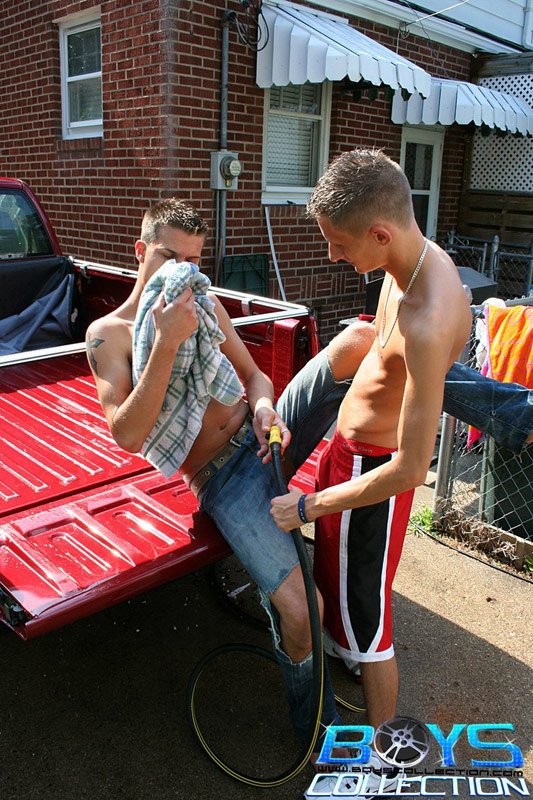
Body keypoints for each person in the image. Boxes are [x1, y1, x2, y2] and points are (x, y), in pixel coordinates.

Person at [86, 195, 531, 763]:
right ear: (140, 252)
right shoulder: (110, 335)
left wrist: (267, 408)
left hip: (265, 437)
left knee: (363, 340)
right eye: (169, 258)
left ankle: (520, 415)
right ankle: (315, 733)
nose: (183, 274)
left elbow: (253, 377)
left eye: (196, 262)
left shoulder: (199, 299)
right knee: (303, 613)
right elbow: (126, 432)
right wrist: (168, 342)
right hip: (225, 477)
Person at [269, 147, 479, 735]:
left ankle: (382, 759)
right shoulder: (402, 262)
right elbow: (377, 350)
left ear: (380, 234)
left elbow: (413, 469)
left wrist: (307, 505)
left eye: (339, 243)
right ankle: (344, 654)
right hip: (347, 452)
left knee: (369, 621)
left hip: (377, 477)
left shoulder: (428, 316)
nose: (333, 255)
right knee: (335, 582)